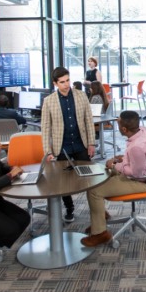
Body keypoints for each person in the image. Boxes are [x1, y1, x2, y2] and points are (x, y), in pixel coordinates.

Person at [81, 111, 146, 247]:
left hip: (139, 182)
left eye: (118, 123)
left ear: (124, 129)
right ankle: (100, 218)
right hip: (134, 174)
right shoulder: (142, 131)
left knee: (94, 191)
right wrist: (121, 158)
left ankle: (100, 234)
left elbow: (136, 173)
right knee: (95, 179)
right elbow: (136, 159)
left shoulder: (136, 147)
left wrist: (115, 165)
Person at [41, 67, 96, 223]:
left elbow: (88, 121)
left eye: (67, 80)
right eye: (62, 82)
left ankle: (97, 209)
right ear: (55, 83)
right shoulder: (49, 101)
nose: (66, 85)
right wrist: (48, 151)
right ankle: (69, 207)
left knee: (90, 178)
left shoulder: (81, 95)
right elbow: (45, 128)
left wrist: (91, 143)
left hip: (81, 144)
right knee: (62, 182)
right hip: (61, 148)